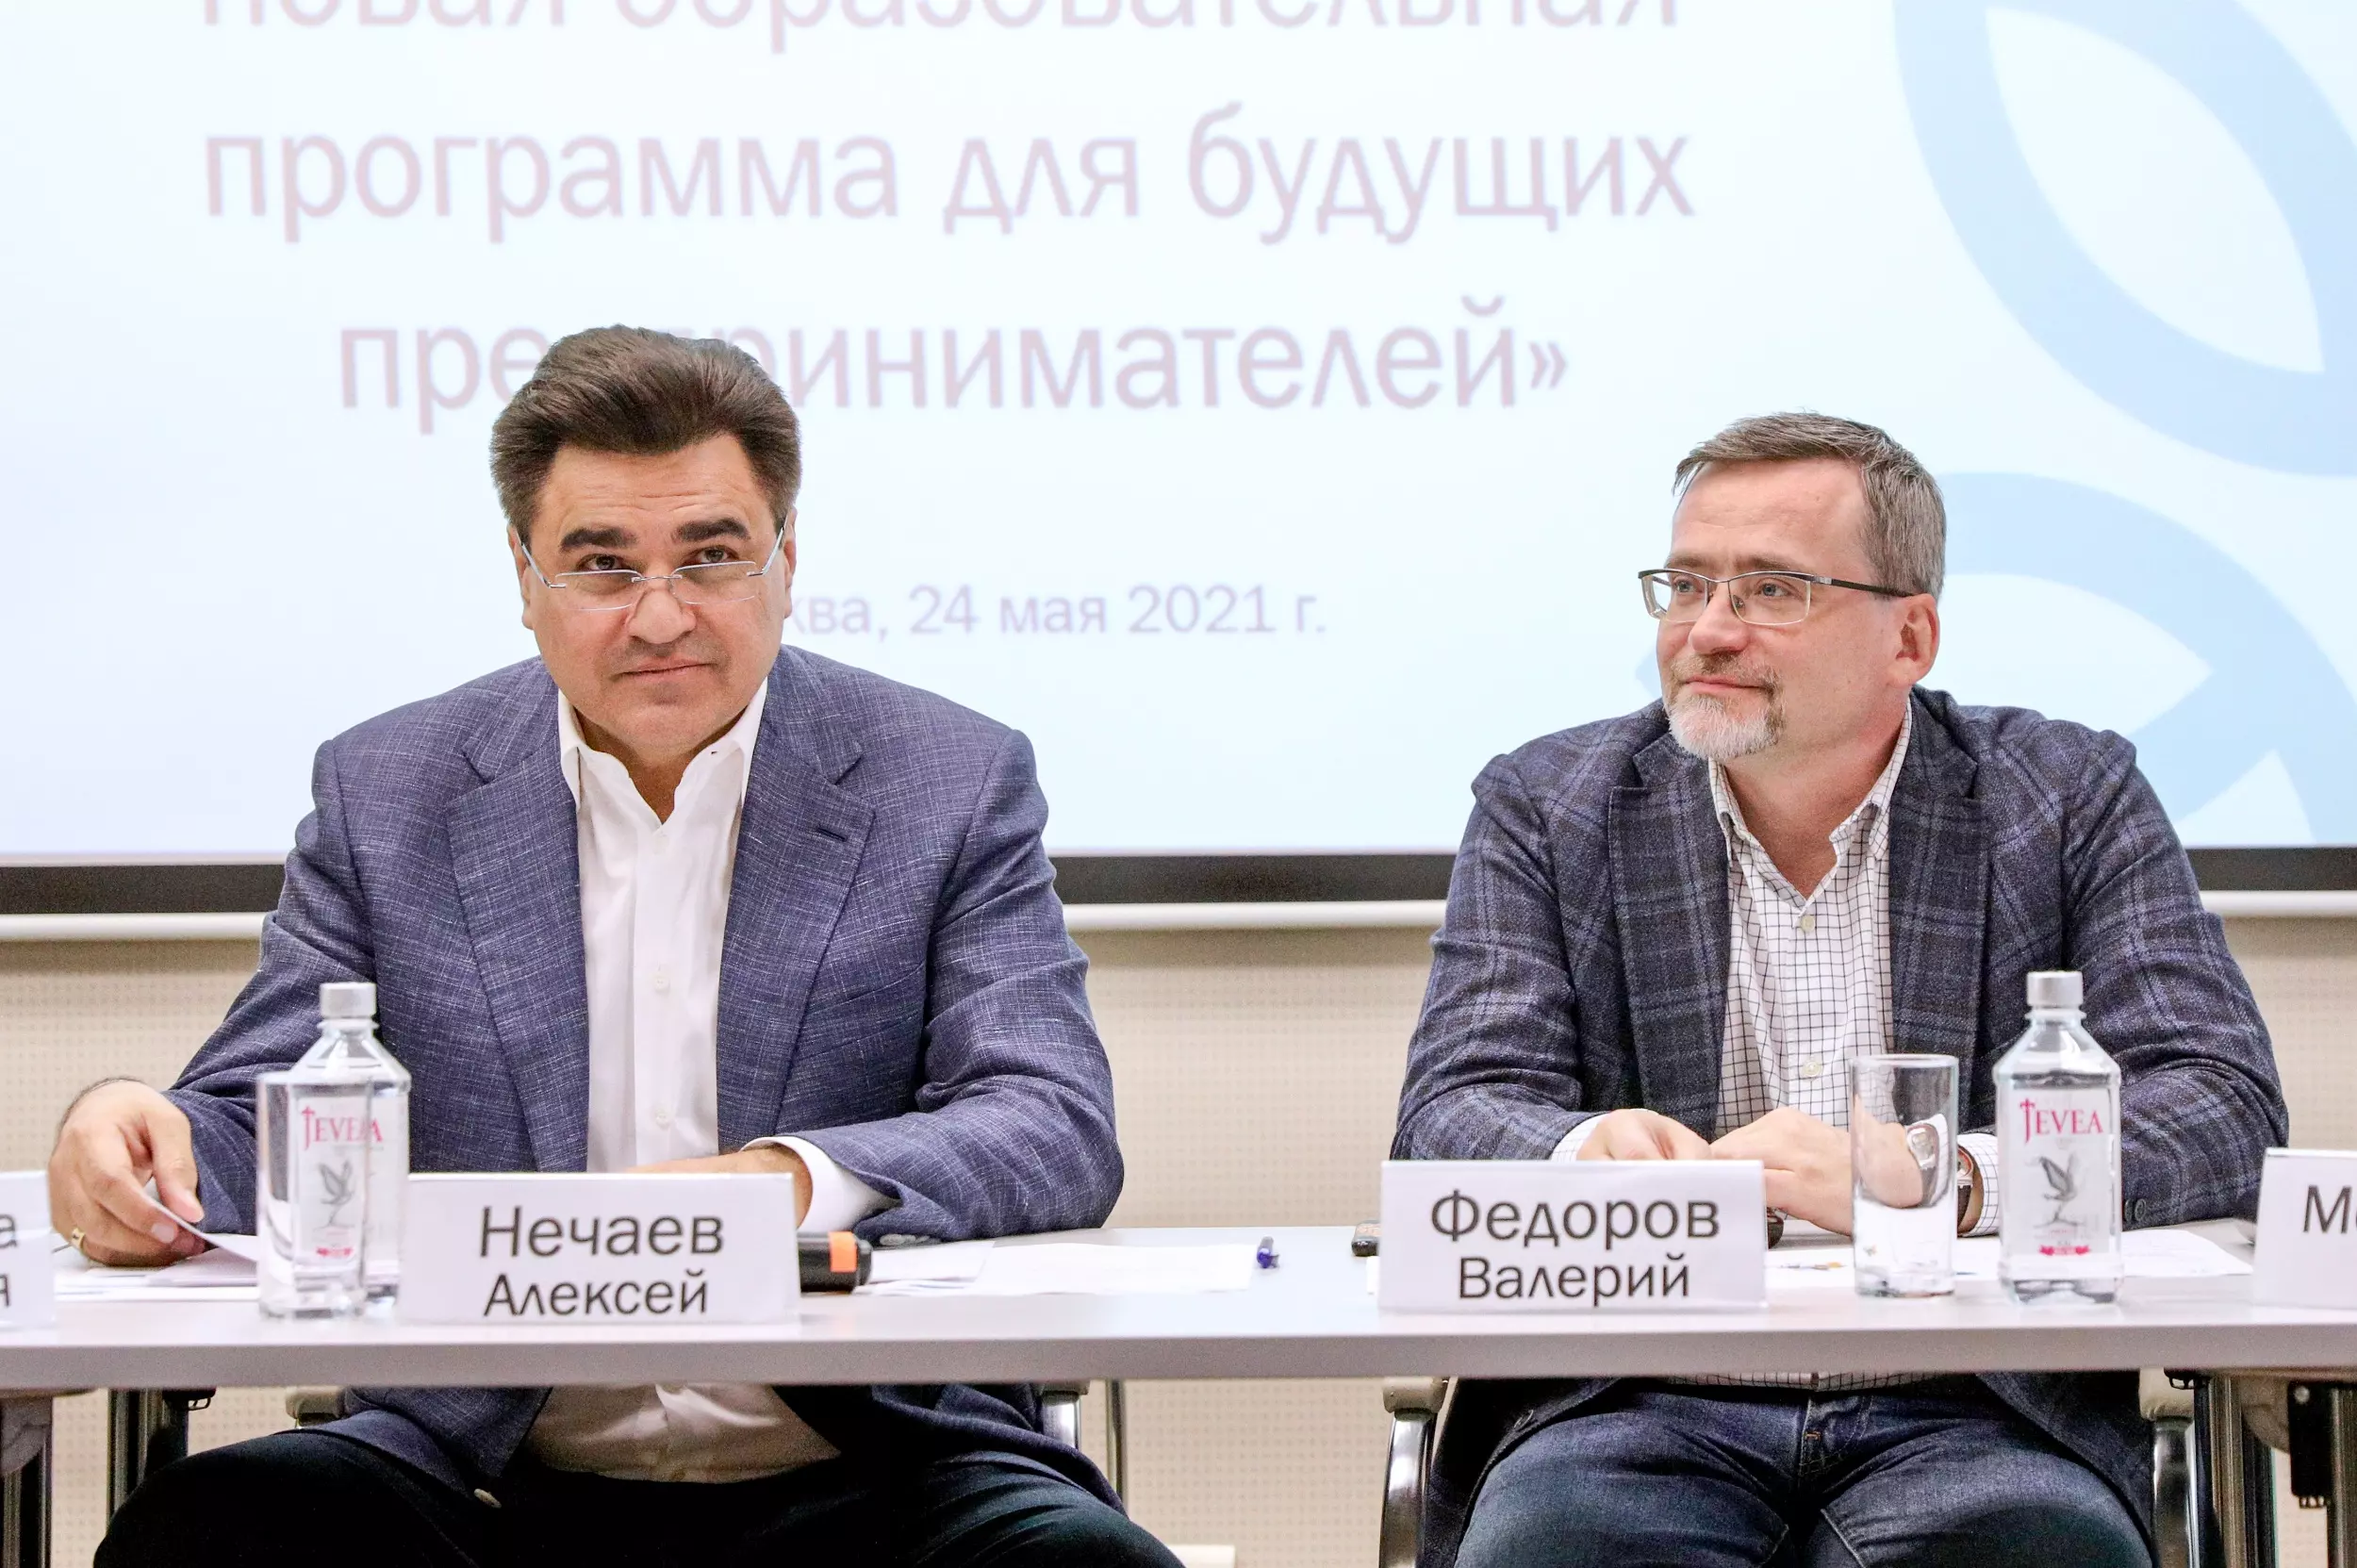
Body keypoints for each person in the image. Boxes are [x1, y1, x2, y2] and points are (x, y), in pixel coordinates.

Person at [54, 326, 1178, 1567]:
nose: (661, 615)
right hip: (485, 1479)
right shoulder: (390, 788)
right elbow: (259, 1116)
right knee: (207, 1533)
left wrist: (783, 1182)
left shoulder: (946, 778)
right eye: (602, 564)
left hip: (880, 1471)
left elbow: (1050, 1119)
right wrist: (135, 1135)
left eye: (712, 556)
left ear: (788, 561)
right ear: (525, 574)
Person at [1393, 412, 2287, 1567]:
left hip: (1975, 1400)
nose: (1707, 630)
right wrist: (1582, 1155)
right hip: (1629, 1397)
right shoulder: (1548, 802)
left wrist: (1939, 1179)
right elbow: (1451, 1110)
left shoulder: (2062, 794)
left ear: (1908, 635)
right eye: (1684, 585)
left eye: (1770, 589)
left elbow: (2218, 1102)